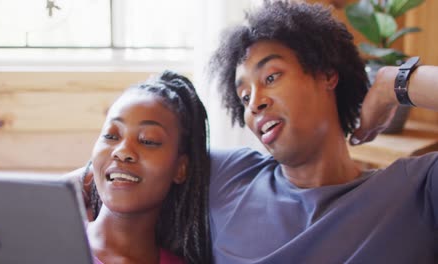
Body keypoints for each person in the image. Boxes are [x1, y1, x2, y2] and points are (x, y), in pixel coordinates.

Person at [205, 1, 438, 263]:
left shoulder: (415, 191)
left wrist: (392, 83)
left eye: (271, 78)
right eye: (244, 97)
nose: (255, 103)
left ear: (327, 74)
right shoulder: (228, 175)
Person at [85, 70, 212, 264]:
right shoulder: (46, 241)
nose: (122, 151)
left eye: (148, 141)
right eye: (111, 136)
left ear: (181, 168)